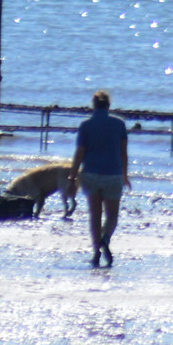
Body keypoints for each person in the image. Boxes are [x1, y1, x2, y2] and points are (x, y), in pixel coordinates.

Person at [68, 88, 130, 267]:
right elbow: (123, 153)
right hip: (113, 174)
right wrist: (125, 175)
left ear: (93, 105)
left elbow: (79, 153)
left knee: (95, 215)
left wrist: (72, 177)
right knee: (112, 216)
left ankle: (96, 252)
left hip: (90, 174)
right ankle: (105, 239)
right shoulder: (119, 124)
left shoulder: (86, 126)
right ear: (109, 105)